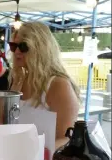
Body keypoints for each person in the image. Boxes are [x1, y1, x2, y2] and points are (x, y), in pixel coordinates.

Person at [9, 22, 80, 150]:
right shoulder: (18, 80)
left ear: (40, 48)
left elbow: (67, 138)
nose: (17, 51)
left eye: (23, 46)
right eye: (13, 46)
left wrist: (36, 154)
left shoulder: (58, 84)